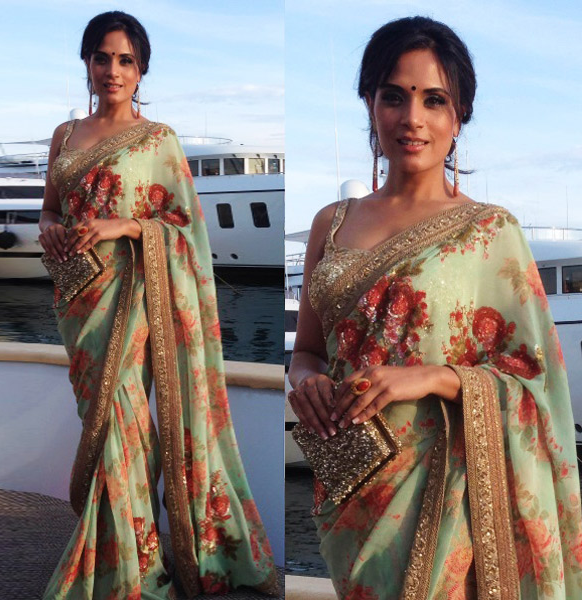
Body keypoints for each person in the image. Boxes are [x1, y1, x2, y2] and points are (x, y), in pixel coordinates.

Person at [288, 16, 582, 600]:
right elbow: (308, 352)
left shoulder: (489, 233)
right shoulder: (332, 223)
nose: (412, 118)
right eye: (394, 96)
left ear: (459, 115)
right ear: (370, 103)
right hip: (352, 481)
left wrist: (433, 377)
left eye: (434, 99)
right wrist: (306, 383)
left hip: (448, 492)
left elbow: (537, 382)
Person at [38, 11, 277, 599]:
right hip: (78, 300)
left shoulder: (157, 140)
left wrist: (124, 225)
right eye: (101, 57)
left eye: (125, 60)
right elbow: (50, 208)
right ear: (86, 63)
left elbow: (186, 230)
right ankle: (124, 550)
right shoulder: (64, 136)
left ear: (141, 69)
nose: (112, 70)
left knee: (123, 424)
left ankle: (129, 564)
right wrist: (49, 230)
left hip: (133, 300)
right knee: (103, 423)